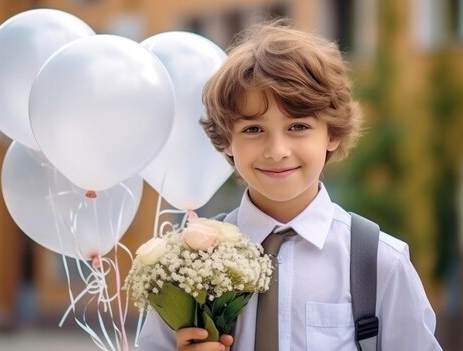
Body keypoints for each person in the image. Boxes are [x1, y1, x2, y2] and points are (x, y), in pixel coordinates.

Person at [137, 20, 443, 351]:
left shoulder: (380, 262)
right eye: (253, 130)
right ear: (226, 140)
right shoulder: (187, 264)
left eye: (298, 126)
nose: (277, 151)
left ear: (333, 133)